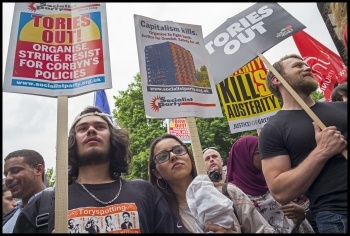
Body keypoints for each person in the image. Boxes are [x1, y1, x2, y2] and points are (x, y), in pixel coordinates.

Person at [13, 106, 184, 234]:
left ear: (113, 139)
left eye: (100, 127)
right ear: (72, 141)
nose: (91, 130)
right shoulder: (44, 204)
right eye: (82, 129)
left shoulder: (146, 193)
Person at [259, 54, 347, 233]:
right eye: (298, 66)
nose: (307, 68)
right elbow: (280, 192)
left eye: (306, 65)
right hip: (337, 217)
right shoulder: (273, 130)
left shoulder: (343, 108)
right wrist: (322, 152)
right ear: (277, 79)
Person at [148, 133, 276, 233]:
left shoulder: (229, 193)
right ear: (156, 173)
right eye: (162, 156)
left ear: (190, 157)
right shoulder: (159, 216)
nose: (173, 156)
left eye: (178, 150)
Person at [227, 135, 315, 233]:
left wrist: (299, 217)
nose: (267, 156)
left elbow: (294, 224)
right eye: (261, 152)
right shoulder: (233, 194)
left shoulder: (271, 183)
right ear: (245, 157)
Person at [3, 149, 49, 233]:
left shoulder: (62, 206)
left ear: (38, 170)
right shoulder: (6, 220)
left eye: (15, 171)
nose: (8, 178)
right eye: (6, 174)